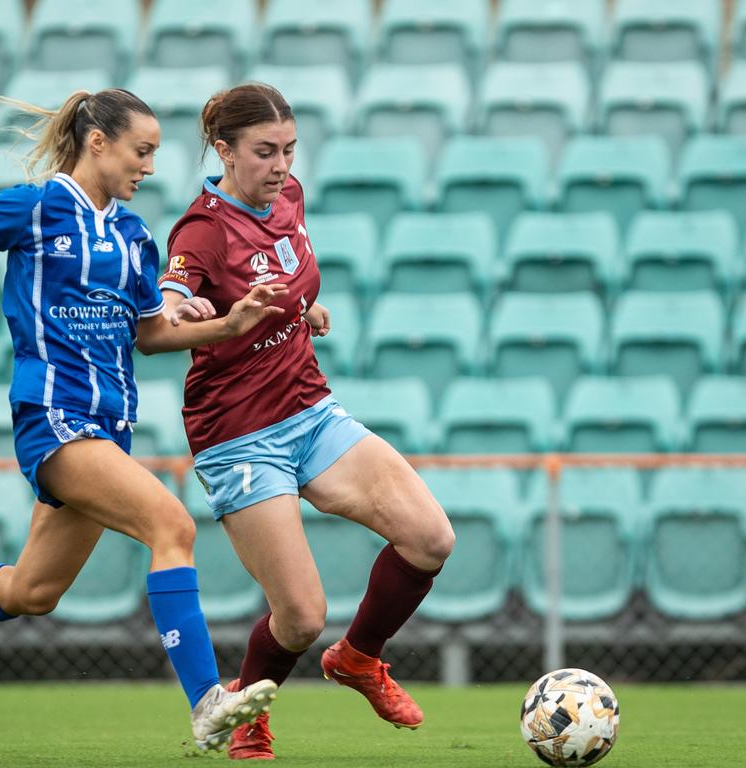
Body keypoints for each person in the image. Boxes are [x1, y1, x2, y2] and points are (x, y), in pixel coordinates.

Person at [0, 88, 283, 752]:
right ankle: (207, 702)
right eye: (142, 150)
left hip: (110, 425)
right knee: (172, 526)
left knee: (33, 589)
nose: (151, 167)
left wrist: (230, 323)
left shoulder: (134, 234)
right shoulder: (35, 206)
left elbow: (151, 335)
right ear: (97, 142)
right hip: (53, 414)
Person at [157, 83, 456, 760]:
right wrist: (194, 314)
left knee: (431, 538)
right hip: (238, 435)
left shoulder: (287, 198)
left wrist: (302, 310)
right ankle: (247, 712)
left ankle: (358, 659)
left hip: (309, 409)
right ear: (224, 151)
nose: (282, 165)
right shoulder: (201, 230)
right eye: (265, 152)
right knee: (299, 616)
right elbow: (168, 306)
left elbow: (285, 277)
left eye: (290, 149)